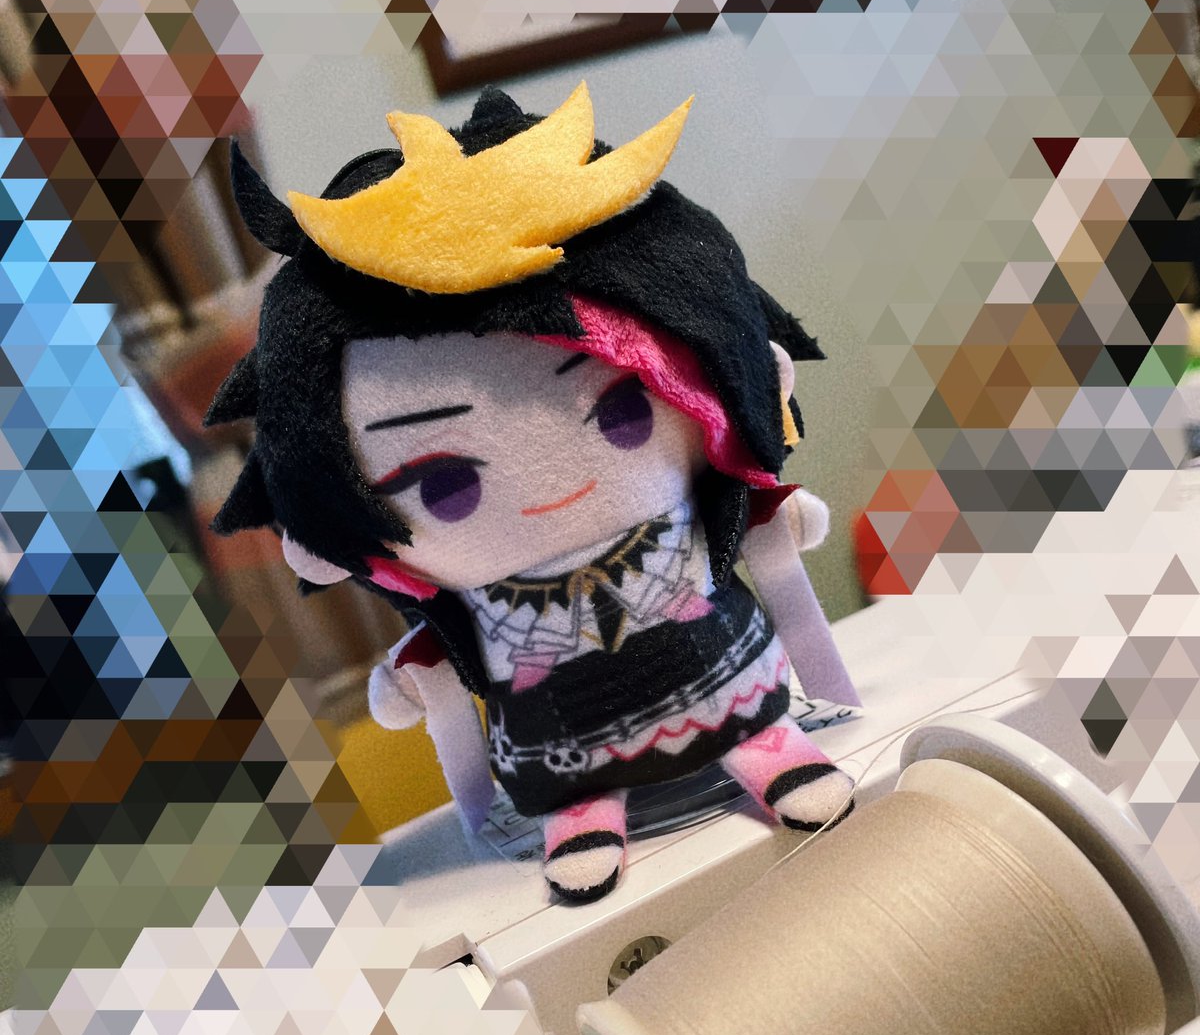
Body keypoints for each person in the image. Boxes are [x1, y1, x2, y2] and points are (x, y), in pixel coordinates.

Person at [205, 83, 860, 902]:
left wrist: (778, 525)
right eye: (443, 484)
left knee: (759, 731)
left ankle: (769, 748)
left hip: (735, 687)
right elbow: (436, 668)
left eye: (622, 413)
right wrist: (415, 683)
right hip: (556, 748)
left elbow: (767, 528)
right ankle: (582, 811)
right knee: (573, 787)